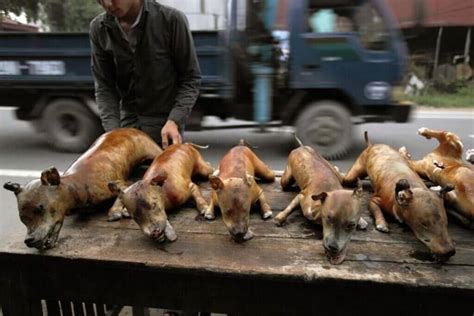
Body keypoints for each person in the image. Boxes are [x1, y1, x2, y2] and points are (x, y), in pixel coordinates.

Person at [90, 0, 201, 148]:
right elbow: (105, 86)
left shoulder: (171, 20)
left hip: (164, 126)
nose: (108, 4)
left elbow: (190, 78)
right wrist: (114, 133)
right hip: (127, 125)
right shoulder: (99, 28)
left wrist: (174, 120)